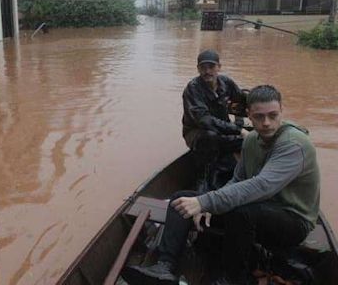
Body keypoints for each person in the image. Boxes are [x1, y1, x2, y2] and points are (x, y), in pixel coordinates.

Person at [131, 85, 320, 284]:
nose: (266, 123)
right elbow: (238, 180)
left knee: (242, 212)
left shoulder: (294, 144)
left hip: (292, 220)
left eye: (273, 115)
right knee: (180, 200)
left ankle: (231, 279)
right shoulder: (251, 141)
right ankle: (165, 267)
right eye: (259, 116)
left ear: (282, 110)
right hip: (258, 209)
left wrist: (208, 201)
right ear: (249, 115)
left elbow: (262, 186)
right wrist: (211, 205)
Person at [182, 49, 249, 189]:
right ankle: (202, 180)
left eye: (211, 67)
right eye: (203, 67)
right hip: (197, 134)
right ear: (198, 69)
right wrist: (238, 129)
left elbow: (242, 101)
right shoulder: (193, 89)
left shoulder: (226, 82)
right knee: (210, 136)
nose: (207, 71)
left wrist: (241, 121)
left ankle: (246, 173)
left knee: (253, 140)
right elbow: (204, 120)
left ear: (219, 67)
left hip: (222, 130)